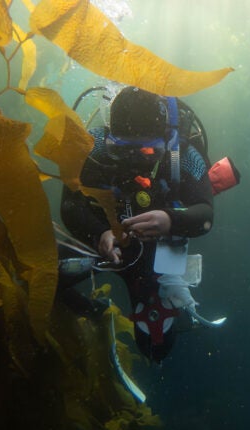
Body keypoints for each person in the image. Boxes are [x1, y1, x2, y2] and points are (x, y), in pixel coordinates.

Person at [60, 86, 220, 362]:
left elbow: (205, 214)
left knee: (155, 346)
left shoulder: (182, 154)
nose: (134, 159)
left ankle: (151, 302)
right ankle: (94, 311)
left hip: (164, 245)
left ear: (165, 139)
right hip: (106, 245)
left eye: (147, 150)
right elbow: (69, 205)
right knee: (45, 277)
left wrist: (171, 220)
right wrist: (101, 232)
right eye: (121, 148)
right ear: (109, 135)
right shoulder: (92, 145)